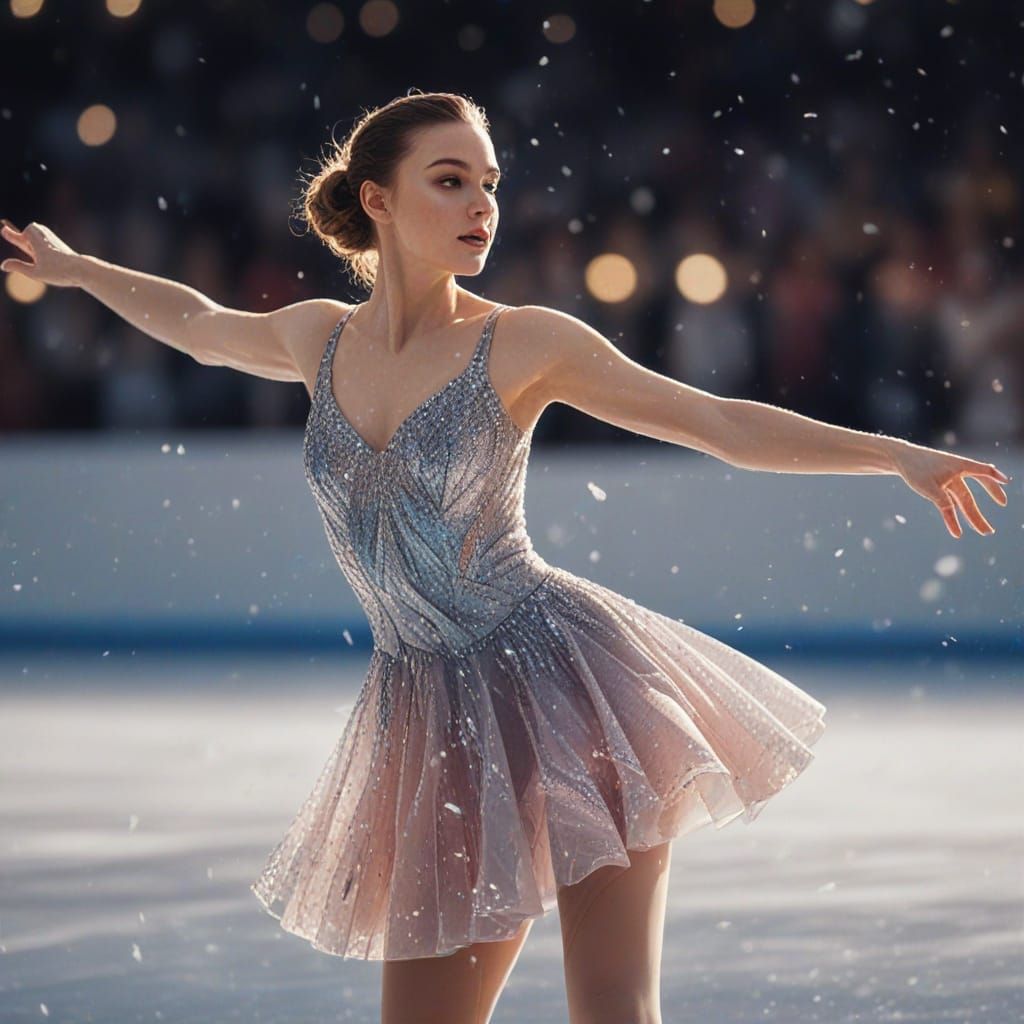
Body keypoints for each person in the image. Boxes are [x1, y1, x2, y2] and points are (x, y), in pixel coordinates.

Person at [1, 90, 1009, 1024]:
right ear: (377, 199)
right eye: (450, 180)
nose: (482, 204)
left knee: (612, 1005)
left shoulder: (525, 342)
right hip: (424, 712)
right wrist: (79, 270)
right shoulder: (318, 338)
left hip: (570, 687)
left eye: (488, 182)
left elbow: (716, 423)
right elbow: (200, 327)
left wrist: (894, 455)